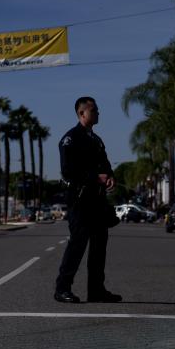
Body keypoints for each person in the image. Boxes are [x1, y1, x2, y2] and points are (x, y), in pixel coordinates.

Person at [54, 97, 122, 303]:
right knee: (78, 245)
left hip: (98, 202)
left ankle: (96, 290)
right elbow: (68, 171)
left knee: (99, 247)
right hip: (80, 200)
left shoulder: (96, 139)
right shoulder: (70, 139)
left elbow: (106, 164)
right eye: (94, 110)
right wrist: (95, 177)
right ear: (82, 113)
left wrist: (109, 177)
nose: (98, 113)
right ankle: (62, 289)